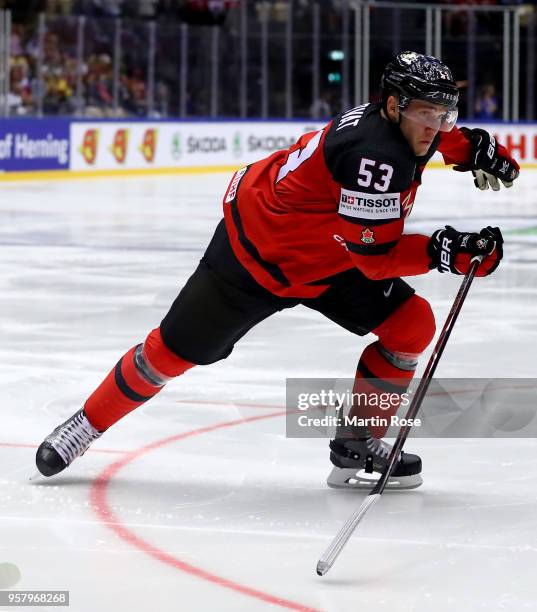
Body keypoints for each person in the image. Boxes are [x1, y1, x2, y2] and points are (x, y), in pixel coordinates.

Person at [35, 51, 519, 489]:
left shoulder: (409, 126)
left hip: (329, 258)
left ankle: (359, 442)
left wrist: (476, 147)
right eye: (425, 113)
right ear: (392, 105)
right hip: (257, 258)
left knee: (411, 325)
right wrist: (447, 251)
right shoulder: (376, 156)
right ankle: (85, 424)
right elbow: (377, 260)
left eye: (443, 113)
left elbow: (443, 140)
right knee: (169, 354)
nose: (435, 126)